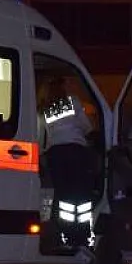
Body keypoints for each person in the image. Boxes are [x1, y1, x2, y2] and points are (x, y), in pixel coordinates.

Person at [38, 74, 96, 250]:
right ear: (62, 86)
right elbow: (87, 127)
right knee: (80, 195)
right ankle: (82, 235)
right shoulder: (72, 102)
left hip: (55, 154)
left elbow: (43, 136)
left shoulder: (46, 108)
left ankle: (66, 234)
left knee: (63, 196)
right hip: (75, 151)